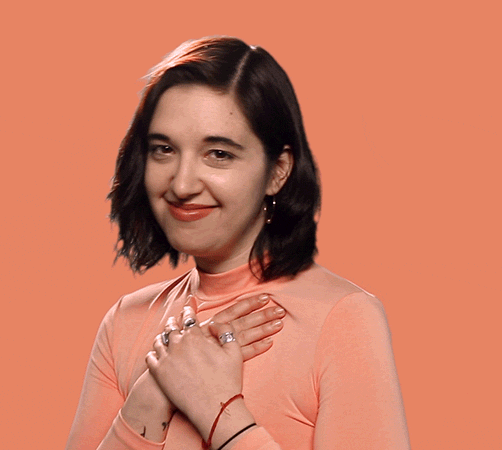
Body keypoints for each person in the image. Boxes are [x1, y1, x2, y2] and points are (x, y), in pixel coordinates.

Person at [66, 36, 410, 450]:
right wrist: (149, 397)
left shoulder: (343, 320)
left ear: (278, 172)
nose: (182, 184)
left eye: (219, 154)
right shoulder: (125, 321)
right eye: (164, 149)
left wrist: (218, 411)